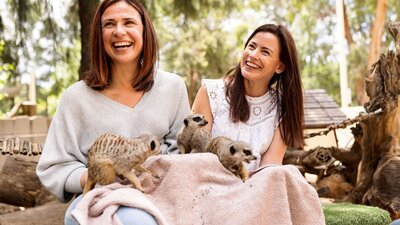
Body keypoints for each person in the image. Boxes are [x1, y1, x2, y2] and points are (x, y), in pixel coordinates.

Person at [35, 0, 190, 224]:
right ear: (99, 36)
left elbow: (181, 150)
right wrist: (96, 175)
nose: (119, 31)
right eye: (109, 24)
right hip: (100, 196)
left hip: (158, 192)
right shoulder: (75, 98)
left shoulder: (173, 86)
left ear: (145, 31)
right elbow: (54, 166)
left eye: (129, 22)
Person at [192, 23, 305, 171]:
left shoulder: (283, 108)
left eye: (265, 52)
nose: (253, 55)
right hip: (208, 181)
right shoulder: (211, 93)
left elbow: (270, 168)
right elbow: (196, 155)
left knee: (286, 175)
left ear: (279, 67)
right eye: (251, 46)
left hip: (256, 188)